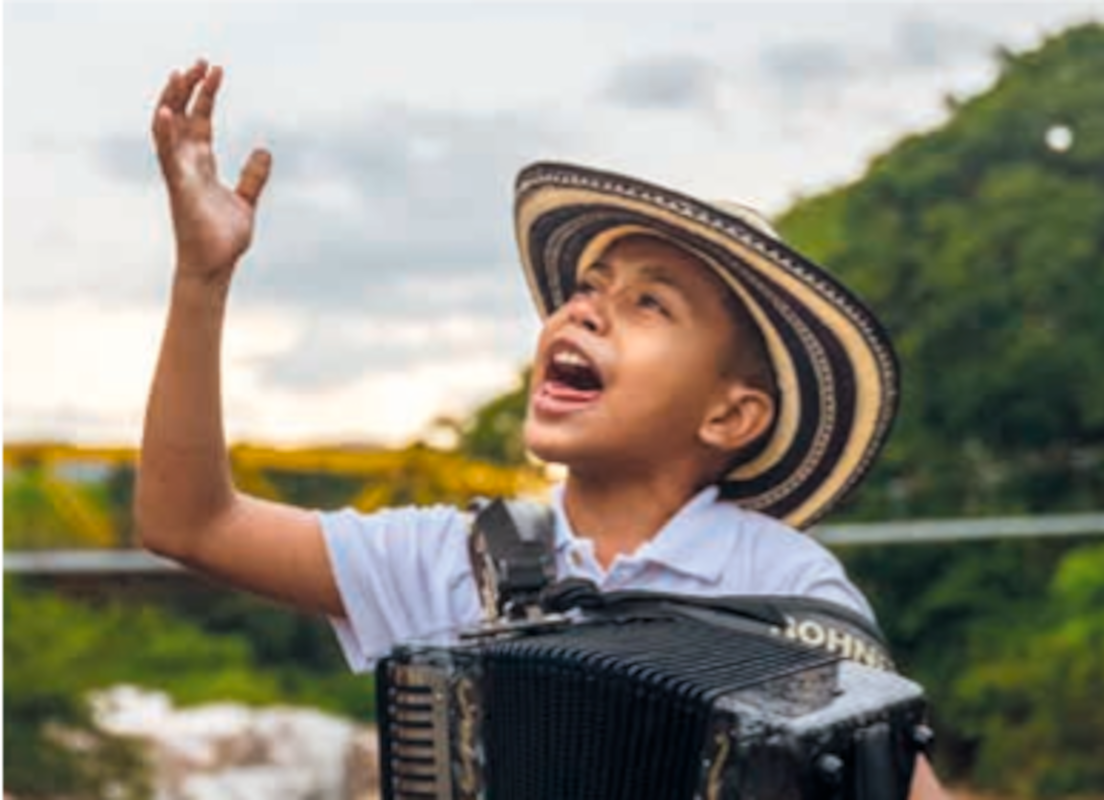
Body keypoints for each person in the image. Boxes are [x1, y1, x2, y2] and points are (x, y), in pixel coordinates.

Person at [137, 59, 948, 795]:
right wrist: (202, 278)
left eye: (650, 303)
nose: (585, 310)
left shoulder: (786, 591)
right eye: (589, 287)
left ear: (730, 414)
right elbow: (190, 523)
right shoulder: (451, 562)